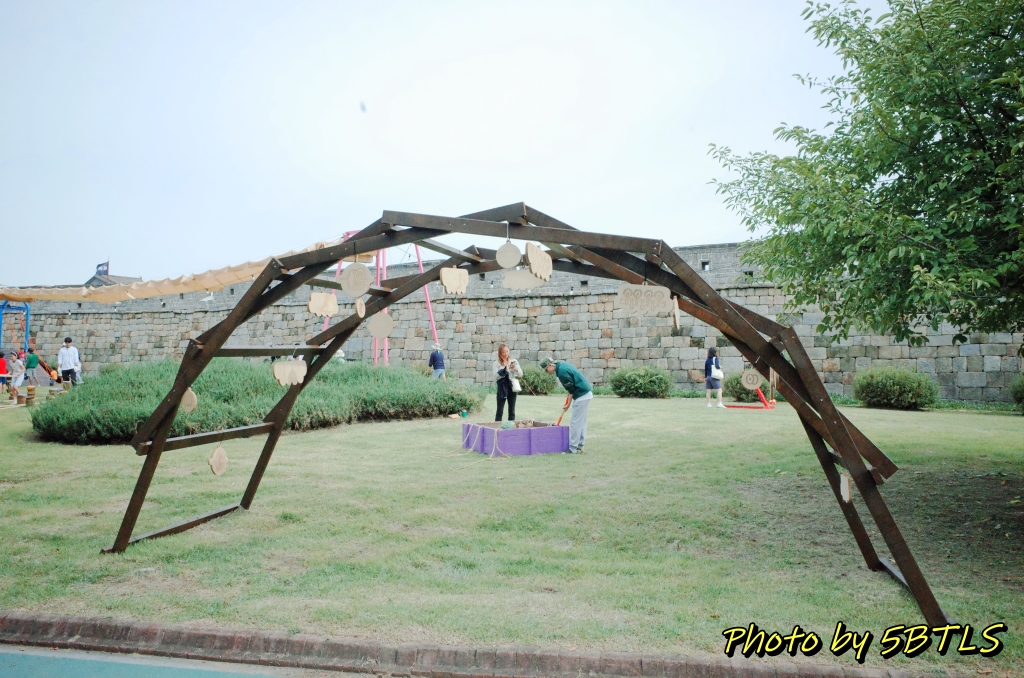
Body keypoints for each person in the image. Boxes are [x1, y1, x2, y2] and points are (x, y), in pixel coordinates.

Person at [541, 357, 592, 454]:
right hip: (585, 393)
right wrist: (569, 397)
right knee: (581, 422)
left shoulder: (561, 373)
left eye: (546, 370)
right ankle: (580, 446)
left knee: (575, 422)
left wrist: (568, 404)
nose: (547, 372)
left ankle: (573, 448)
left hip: (581, 394)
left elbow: (571, 390)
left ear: (550, 365)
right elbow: (571, 388)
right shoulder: (562, 365)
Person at [493, 343, 522, 422]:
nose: (505, 354)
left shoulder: (514, 361)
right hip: (502, 388)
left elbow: (521, 374)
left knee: (512, 412)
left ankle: (510, 428)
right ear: (500, 353)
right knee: (499, 411)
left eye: (507, 351)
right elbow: (495, 376)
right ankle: (497, 428)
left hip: (512, 388)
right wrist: (505, 370)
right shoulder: (496, 363)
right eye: (503, 352)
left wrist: (515, 369)